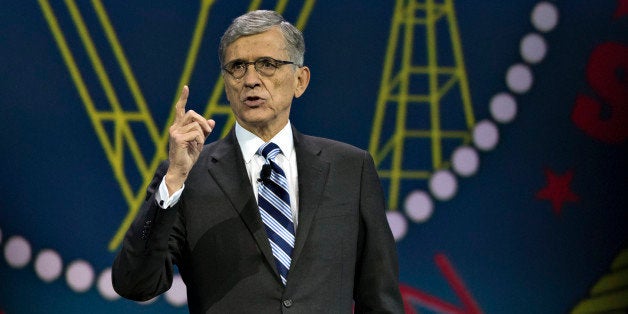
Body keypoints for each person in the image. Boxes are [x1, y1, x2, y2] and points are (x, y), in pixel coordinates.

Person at [112, 9, 404, 313]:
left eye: (268, 65)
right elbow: (135, 284)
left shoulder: (350, 169)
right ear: (226, 84)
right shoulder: (188, 178)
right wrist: (173, 180)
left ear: (300, 80)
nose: (251, 80)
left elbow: (379, 297)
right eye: (238, 67)